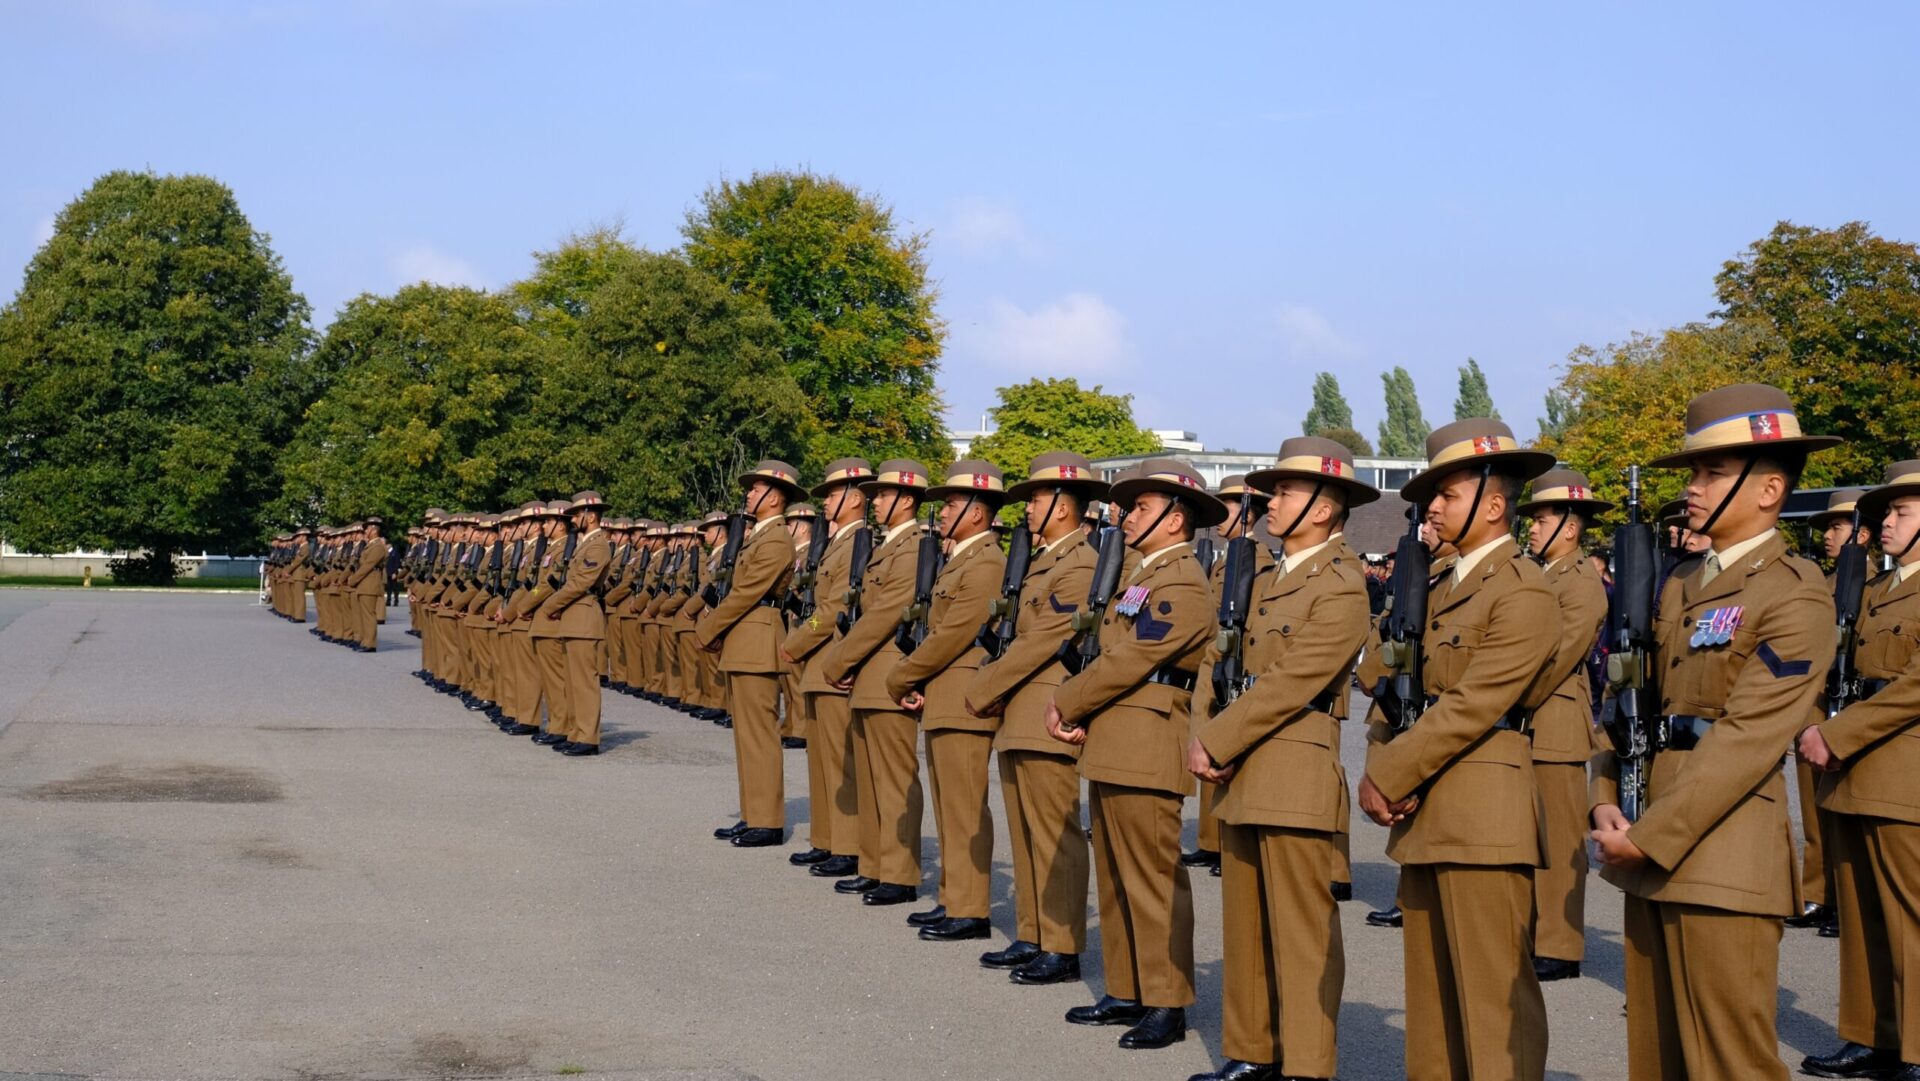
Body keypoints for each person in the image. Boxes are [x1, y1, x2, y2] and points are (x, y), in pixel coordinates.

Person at [1590, 383, 1839, 1081]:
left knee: (1731, 1064)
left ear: (1767, 489)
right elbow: (1629, 702)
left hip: (1723, 856)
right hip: (1648, 835)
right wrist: (1604, 792)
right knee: (1658, 1059)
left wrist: (1645, 835)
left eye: (1711, 473)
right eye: (1694, 473)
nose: (1693, 488)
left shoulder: (1795, 591)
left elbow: (1746, 738)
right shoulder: (1679, 585)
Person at [1359, 417, 1558, 1080]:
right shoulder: (1439, 583)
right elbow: (1383, 680)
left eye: (1445, 493)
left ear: (1494, 503)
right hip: (1427, 810)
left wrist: (1387, 772)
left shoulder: (1522, 588)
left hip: (1482, 815)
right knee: (1436, 1008)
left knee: (1493, 1011)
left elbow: (1476, 703)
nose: (1432, 507)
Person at [1186, 437, 1379, 1081]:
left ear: (1324, 508)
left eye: (1286, 493)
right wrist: (1203, 730)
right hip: (1241, 766)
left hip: (1293, 765)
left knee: (1301, 934)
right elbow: (1218, 661)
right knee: (1244, 927)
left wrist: (1215, 740)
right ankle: (1251, 1051)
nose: (1272, 503)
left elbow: (1293, 680)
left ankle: (1307, 1063)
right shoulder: (1264, 575)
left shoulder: (1344, 586)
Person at [1048, 458, 1224, 1052]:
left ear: (1177, 520)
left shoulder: (1180, 582)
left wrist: (1067, 702)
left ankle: (1167, 1000)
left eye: (1142, 508)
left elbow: (1131, 660)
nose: (1127, 517)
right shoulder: (1141, 574)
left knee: (1152, 879)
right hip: (1117, 739)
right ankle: (1127, 987)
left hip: (1149, 744)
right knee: (1117, 875)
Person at [964, 451, 1109, 984]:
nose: (1027, 510)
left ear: (1065, 508)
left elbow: (1039, 641)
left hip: (1046, 708)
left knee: (1054, 834)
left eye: (1037, 501)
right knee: (1025, 832)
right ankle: (1033, 932)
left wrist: (981, 688)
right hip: (1019, 712)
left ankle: (1063, 943)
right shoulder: (1044, 560)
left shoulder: (1081, 565)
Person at [1797, 464, 1920, 1081]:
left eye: (1901, 514)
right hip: (1856, 772)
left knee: (1910, 916)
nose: (1886, 524)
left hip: (1903, 772)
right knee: (1864, 913)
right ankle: (1874, 1036)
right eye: (1887, 514)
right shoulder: (1877, 587)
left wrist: (1836, 733)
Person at [885, 461, 1009, 942]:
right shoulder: (961, 559)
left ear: (977, 514)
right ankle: (954, 898)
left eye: (952, 505)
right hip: (945, 694)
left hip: (963, 696)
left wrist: (902, 678)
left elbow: (953, 633)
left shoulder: (986, 563)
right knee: (948, 804)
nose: (942, 513)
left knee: (964, 808)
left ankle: (971, 908)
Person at [819, 460, 933, 906]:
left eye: (883, 495)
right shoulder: (889, 546)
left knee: (894, 779)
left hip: (888, 671)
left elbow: (884, 614)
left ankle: (900, 872)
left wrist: (837, 660)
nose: (877, 502)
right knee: (869, 778)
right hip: (869, 673)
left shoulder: (912, 548)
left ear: (906, 500)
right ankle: (874, 864)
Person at [1515, 469, 1613, 984]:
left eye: (1543, 519)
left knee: (1558, 838)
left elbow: (1556, 659)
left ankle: (1560, 943)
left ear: (1570, 529)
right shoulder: (1538, 573)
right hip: (1529, 719)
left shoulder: (1580, 583)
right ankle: (1534, 932)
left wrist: (1501, 698)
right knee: (1528, 833)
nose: (1532, 528)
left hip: (1554, 719)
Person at [781, 459, 873, 877]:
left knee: (839, 762)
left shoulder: (857, 542)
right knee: (820, 759)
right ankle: (826, 837)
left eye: (833, 495)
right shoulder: (838, 541)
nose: (827, 503)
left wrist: (799, 638)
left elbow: (833, 608)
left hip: (833, 658)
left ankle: (847, 843)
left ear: (855, 500)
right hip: (820, 663)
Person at [1788, 487, 1872, 937]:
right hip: (1815, 707)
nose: (1828, 536)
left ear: (1862, 535)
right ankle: (1819, 893)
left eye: (1837, 527)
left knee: (1843, 812)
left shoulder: (1869, 582)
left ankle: (1842, 897)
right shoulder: (1825, 582)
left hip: (1847, 709)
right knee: (1815, 807)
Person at [1184, 475, 1272, 876]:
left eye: (1229, 507)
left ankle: (1223, 841)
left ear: (1247, 512)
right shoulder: (1224, 557)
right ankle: (1210, 840)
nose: (1221, 514)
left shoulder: (1257, 556)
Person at [529, 493, 612, 756]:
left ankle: (588, 737)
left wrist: (551, 605)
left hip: (584, 617)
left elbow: (579, 584)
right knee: (574, 682)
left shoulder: (598, 545)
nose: (574, 520)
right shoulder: (583, 544)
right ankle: (576, 732)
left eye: (576, 515)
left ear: (591, 515)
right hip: (573, 618)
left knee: (584, 682)